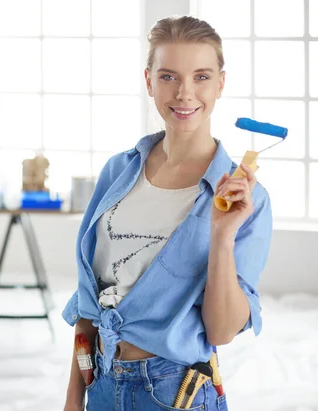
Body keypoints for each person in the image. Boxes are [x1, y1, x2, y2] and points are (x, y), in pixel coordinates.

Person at [62, 15, 272, 411]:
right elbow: (89, 303)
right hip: (103, 385)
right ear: (149, 81)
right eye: (169, 76)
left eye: (202, 77)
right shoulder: (118, 172)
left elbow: (222, 330)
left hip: (175, 392)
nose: (185, 93)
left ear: (221, 84)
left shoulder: (246, 201)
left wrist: (222, 235)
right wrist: (74, 400)